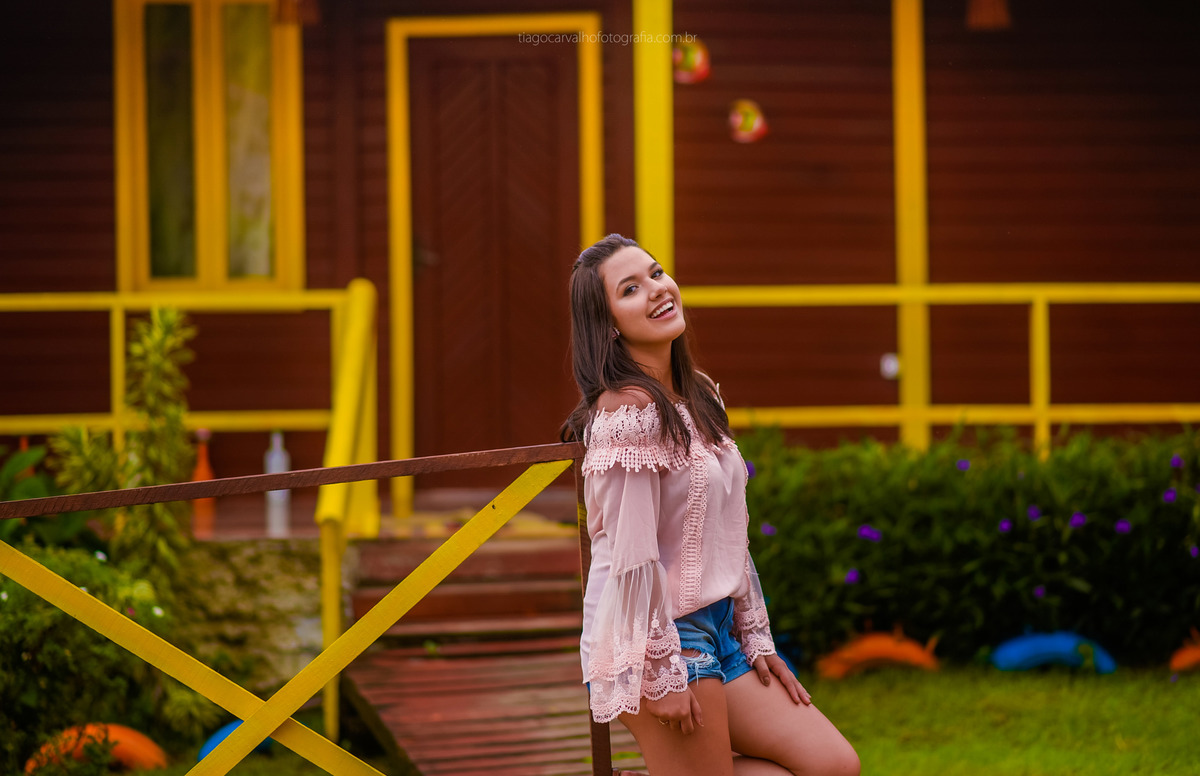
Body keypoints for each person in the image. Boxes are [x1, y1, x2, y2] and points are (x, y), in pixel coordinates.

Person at [563, 234, 860, 776]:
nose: (657, 289)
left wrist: (754, 635)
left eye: (656, 274)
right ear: (608, 325)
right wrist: (659, 668)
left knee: (833, 765)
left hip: (717, 625)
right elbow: (632, 555)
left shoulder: (698, 394)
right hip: (651, 635)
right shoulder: (628, 412)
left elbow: (726, 533)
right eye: (631, 289)